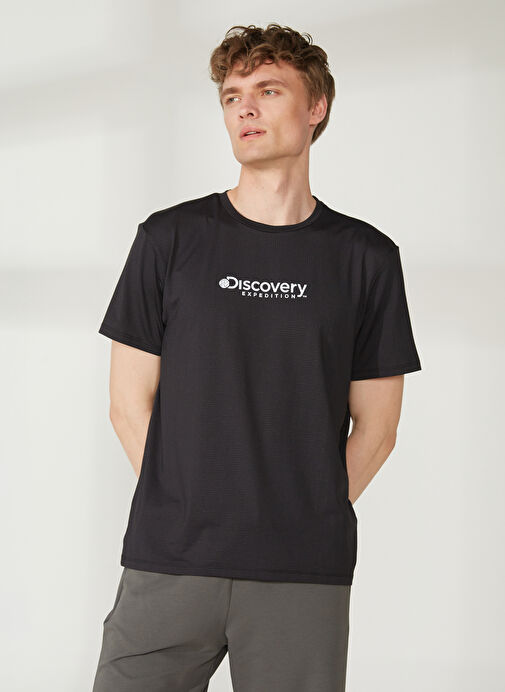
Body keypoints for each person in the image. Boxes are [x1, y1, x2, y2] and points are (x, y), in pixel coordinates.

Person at [92, 22, 422, 692]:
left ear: (315, 106)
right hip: (170, 559)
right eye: (232, 96)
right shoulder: (169, 239)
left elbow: (378, 427)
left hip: (301, 571)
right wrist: (185, 507)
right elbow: (128, 404)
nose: (244, 108)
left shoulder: (365, 258)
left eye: (268, 91)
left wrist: (300, 515)